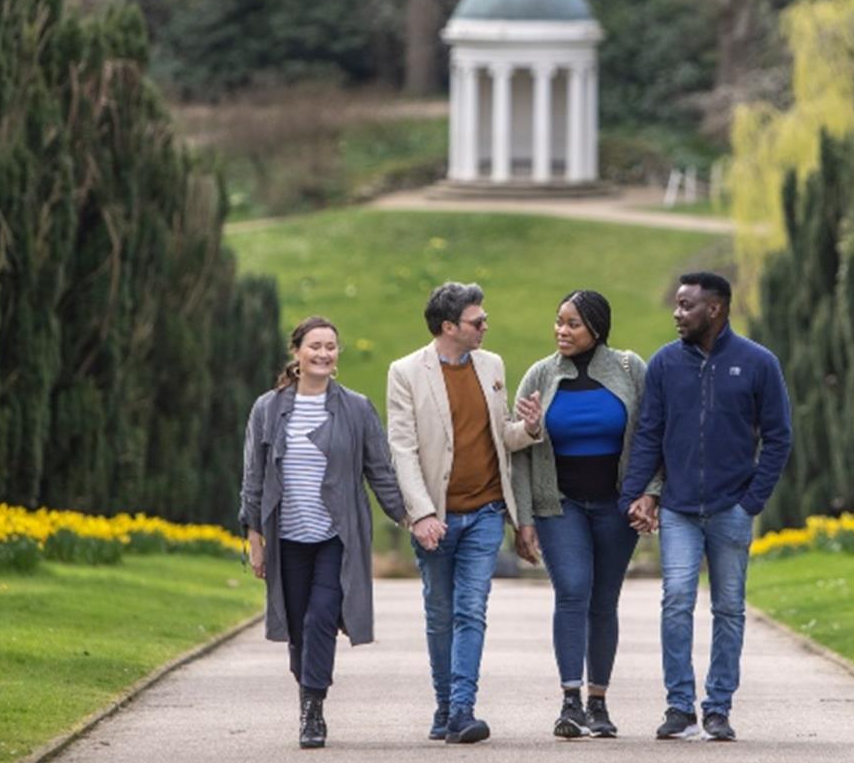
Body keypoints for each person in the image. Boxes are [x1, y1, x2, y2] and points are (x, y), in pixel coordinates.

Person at [619, 271, 793, 742]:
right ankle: (679, 707)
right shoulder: (663, 364)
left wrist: (751, 501)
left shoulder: (758, 363)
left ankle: (718, 708)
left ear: (714, 309)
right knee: (676, 599)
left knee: (729, 608)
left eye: (686, 305)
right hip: (677, 509)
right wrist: (636, 493)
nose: (677, 313)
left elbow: (779, 438)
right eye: (677, 305)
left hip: (731, 509)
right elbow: (649, 435)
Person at [239, 315, 408, 750]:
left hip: (337, 537)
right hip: (286, 539)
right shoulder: (268, 409)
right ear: (296, 352)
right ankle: (307, 693)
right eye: (315, 345)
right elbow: (254, 479)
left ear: (338, 355)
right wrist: (254, 540)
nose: (323, 353)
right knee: (297, 626)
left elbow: (380, 472)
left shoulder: (355, 407)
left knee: (320, 618)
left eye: (331, 346)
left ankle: (313, 710)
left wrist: (412, 517)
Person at [386, 282, 543, 744]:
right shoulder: (406, 372)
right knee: (440, 613)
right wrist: (421, 514)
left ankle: (461, 710)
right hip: (435, 517)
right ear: (449, 327)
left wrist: (529, 428)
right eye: (477, 321)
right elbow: (403, 448)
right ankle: (443, 709)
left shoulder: (492, 365)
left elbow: (502, 436)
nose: (485, 327)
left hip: (486, 512)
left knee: (471, 612)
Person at [510, 289, 659, 739]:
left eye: (572, 323)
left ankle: (598, 702)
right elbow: (515, 446)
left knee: (603, 600)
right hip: (559, 504)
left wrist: (651, 493)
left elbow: (654, 435)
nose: (562, 330)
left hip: (617, 505)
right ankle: (569, 700)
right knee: (572, 590)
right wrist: (523, 519)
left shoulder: (631, 370)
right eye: (558, 321)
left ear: (596, 327)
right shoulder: (539, 374)